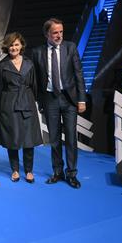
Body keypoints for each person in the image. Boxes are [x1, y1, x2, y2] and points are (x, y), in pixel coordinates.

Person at [31, 18, 86, 189]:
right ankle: (57, 172)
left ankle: (72, 174)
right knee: (54, 139)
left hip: (69, 100)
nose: (59, 35)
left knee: (70, 138)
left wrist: (81, 99)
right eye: (55, 32)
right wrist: (39, 101)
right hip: (49, 99)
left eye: (61, 32)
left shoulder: (70, 47)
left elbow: (79, 74)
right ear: (47, 33)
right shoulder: (37, 52)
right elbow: (37, 81)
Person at [0, 32, 42, 183]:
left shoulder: (29, 63)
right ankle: (15, 170)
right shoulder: (2, 66)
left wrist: (33, 101)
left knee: (29, 140)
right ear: (6, 47)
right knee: (12, 138)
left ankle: (29, 170)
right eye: (11, 45)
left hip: (27, 102)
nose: (14, 47)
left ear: (21, 46)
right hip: (9, 104)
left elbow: (34, 86)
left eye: (16, 44)